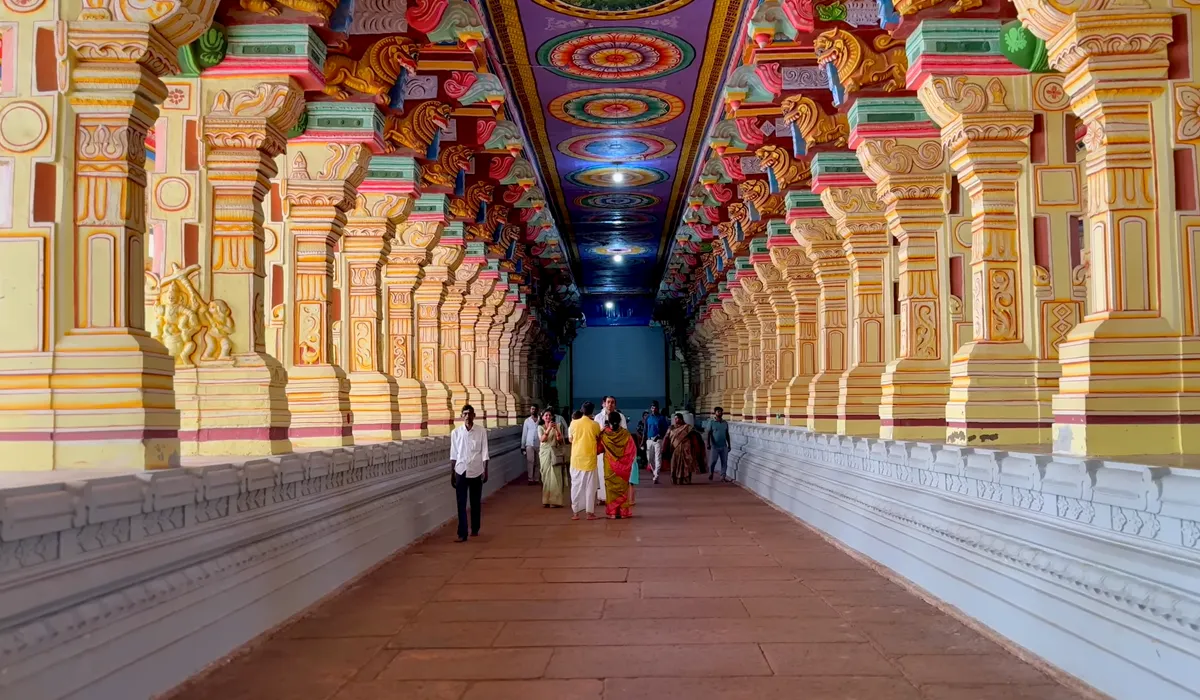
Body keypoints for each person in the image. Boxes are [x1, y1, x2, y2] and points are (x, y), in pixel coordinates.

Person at [449, 405, 489, 542]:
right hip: (461, 469)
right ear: (461, 416)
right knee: (461, 503)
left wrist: (486, 470)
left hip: (476, 469)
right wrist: (452, 473)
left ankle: (475, 528)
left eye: (469, 413)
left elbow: (485, 452)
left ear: (474, 415)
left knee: (475, 502)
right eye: (464, 414)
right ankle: (462, 533)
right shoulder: (456, 433)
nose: (467, 416)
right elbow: (453, 454)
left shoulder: (481, 431)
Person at [568, 401, 603, 520]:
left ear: (582, 410)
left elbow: (571, 440)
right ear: (592, 411)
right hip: (590, 459)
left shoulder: (573, 423)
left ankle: (575, 513)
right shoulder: (595, 425)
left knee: (576, 486)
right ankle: (590, 513)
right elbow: (599, 437)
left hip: (576, 459)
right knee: (590, 488)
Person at [599, 411, 636, 519]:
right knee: (622, 489)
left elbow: (598, 449)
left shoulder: (604, 434)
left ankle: (613, 513)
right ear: (620, 421)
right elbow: (632, 451)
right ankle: (623, 512)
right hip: (623, 468)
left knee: (611, 489)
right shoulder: (626, 434)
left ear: (608, 421)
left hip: (610, 466)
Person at [594, 396, 628, 503]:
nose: (610, 404)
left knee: (615, 474)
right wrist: (603, 430)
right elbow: (595, 434)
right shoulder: (598, 417)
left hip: (616, 451)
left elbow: (624, 432)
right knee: (601, 473)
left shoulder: (621, 416)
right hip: (603, 450)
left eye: (612, 402)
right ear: (604, 403)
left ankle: (614, 497)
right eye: (608, 402)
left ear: (615, 404)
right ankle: (602, 497)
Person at [663, 412, 704, 485]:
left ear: (681, 419)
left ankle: (686, 480)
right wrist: (664, 449)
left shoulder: (687, 427)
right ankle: (676, 480)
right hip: (675, 449)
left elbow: (694, 438)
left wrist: (696, 449)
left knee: (686, 464)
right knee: (674, 464)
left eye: (677, 418)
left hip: (686, 449)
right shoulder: (671, 428)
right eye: (675, 418)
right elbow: (666, 438)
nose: (676, 420)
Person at [538, 408, 568, 507]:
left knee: (556, 476)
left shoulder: (557, 426)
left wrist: (556, 430)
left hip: (555, 453)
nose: (548, 417)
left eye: (549, 415)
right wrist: (548, 429)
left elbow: (560, 440)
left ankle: (555, 501)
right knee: (546, 477)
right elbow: (542, 439)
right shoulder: (540, 427)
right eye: (546, 415)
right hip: (545, 454)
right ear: (542, 417)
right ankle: (546, 500)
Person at [643, 401, 670, 484]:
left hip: (658, 440)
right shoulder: (648, 418)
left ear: (658, 408)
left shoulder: (661, 418)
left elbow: (666, 430)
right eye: (652, 407)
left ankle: (656, 475)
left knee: (657, 458)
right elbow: (645, 430)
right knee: (650, 459)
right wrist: (642, 442)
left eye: (655, 407)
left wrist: (659, 435)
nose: (653, 409)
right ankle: (655, 472)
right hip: (649, 440)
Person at [706, 406, 732, 482]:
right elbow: (709, 433)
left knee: (724, 461)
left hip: (724, 445)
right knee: (713, 461)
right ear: (715, 413)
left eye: (721, 412)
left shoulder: (725, 423)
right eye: (718, 412)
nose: (720, 413)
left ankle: (723, 476)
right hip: (715, 446)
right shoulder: (711, 422)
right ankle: (711, 473)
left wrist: (729, 445)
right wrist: (708, 443)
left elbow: (727, 434)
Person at [521, 404, 541, 485]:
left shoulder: (541, 420)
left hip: (539, 443)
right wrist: (522, 446)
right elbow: (524, 434)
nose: (533, 410)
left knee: (538, 462)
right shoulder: (527, 421)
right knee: (530, 461)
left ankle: (536, 479)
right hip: (529, 444)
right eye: (532, 409)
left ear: (537, 410)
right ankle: (530, 479)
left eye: (535, 409)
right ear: (530, 410)